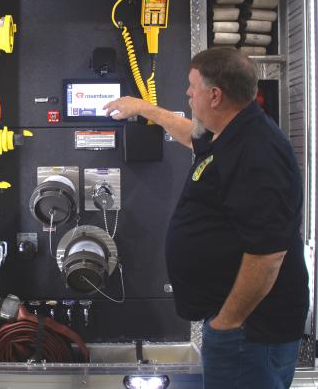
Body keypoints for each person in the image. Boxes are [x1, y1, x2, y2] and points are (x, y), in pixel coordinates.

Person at [104, 47, 309, 389]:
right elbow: (192, 134)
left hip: (251, 332)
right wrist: (143, 108)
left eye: (192, 86)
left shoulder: (257, 152)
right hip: (241, 328)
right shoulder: (233, 131)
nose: (187, 94)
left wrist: (227, 323)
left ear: (215, 95)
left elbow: (268, 256)